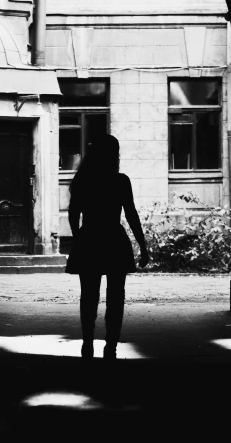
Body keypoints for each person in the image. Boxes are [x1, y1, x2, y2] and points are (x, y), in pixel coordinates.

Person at [65, 134, 149, 360]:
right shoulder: (120, 180)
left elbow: (73, 213)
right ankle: (110, 345)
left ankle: (87, 343)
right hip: (114, 239)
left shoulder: (82, 179)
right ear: (114, 155)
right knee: (116, 296)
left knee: (88, 295)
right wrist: (142, 245)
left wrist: (78, 238)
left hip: (90, 238)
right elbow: (131, 214)